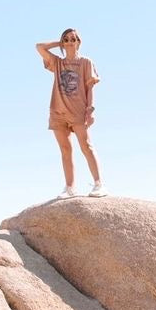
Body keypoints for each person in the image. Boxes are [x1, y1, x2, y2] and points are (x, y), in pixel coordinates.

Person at [36, 29, 107, 198]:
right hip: (58, 112)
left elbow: (90, 87)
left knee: (86, 146)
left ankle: (99, 184)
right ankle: (70, 187)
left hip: (78, 111)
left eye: (73, 39)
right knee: (65, 149)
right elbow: (39, 47)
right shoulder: (57, 63)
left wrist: (90, 110)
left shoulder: (85, 62)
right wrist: (58, 43)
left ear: (78, 42)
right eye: (66, 39)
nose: (70, 41)